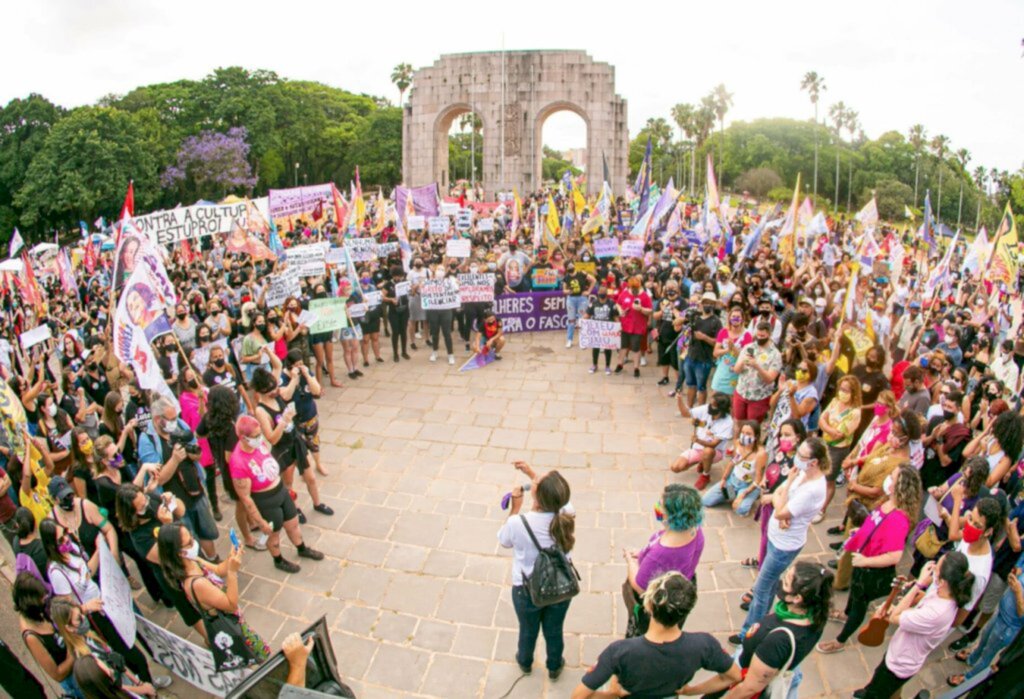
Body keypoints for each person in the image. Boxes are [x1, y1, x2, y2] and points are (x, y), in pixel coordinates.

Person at [573, 572, 740, 699]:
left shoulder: (620, 651)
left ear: (649, 606)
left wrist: (613, 693)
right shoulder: (704, 645)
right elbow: (733, 676)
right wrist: (690, 691)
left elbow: (579, 696)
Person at [817, 465, 922, 653]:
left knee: (859, 605)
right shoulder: (887, 502)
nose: (888, 478)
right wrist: (863, 533)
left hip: (870, 569)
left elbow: (894, 555)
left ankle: (840, 641)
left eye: (893, 476)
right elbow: (875, 524)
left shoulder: (899, 519)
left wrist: (865, 561)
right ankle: (845, 614)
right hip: (862, 560)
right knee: (854, 595)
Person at [732, 438, 828, 643]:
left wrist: (779, 505)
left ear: (814, 462)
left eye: (802, 455)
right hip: (775, 535)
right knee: (768, 584)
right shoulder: (800, 473)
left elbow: (780, 511)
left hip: (785, 545)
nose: (797, 458)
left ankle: (748, 633)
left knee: (761, 588)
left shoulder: (813, 489)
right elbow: (777, 493)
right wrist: (783, 496)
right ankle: (761, 620)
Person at [854, 551, 975, 699]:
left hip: (900, 662)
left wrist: (919, 584)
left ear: (943, 581)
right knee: (879, 677)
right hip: (900, 650)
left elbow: (894, 617)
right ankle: (869, 690)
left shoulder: (935, 614)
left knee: (878, 692)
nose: (933, 567)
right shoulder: (943, 593)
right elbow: (919, 604)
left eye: (936, 567)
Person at [712, 561, 835, 699]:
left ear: (797, 598)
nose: (781, 583)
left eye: (786, 583)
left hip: (748, 673)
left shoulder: (778, 640)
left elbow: (750, 688)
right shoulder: (817, 612)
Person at [497, 461, 575, 679]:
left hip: (527, 588)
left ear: (537, 497)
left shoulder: (518, 522)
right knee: (554, 630)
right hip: (560, 585)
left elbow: (504, 541)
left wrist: (515, 508)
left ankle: (525, 661)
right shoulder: (567, 512)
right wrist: (532, 475)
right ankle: (554, 665)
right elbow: (556, 497)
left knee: (528, 629)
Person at [156, 522, 270, 663]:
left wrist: (231, 556)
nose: (194, 542)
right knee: (256, 655)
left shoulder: (193, 560)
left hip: (234, 621)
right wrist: (232, 572)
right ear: (179, 552)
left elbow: (217, 570)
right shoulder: (197, 584)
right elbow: (231, 604)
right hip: (233, 628)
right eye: (189, 542)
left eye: (192, 537)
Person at [229, 415, 324, 573]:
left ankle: (302, 548)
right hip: (265, 500)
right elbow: (245, 499)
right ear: (243, 438)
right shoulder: (238, 462)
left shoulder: (258, 445)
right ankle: (278, 560)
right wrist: (260, 522)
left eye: (260, 434)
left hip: (280, 490)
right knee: (273, 534)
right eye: (255, 436)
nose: (260, 438)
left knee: (293, 524)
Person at [138, 397, 220, 560]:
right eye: (171, 419)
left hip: (195, 490)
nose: (175, 422)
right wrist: (175, 459)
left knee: (206, 531)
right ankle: (202, 570)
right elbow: (157, 480)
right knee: (187, 539)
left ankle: (213, 559)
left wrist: (192, 453)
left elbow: (197, 454)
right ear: (157, 419)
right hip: (175, 502)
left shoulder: (181, 425)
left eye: (176, 417)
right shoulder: (147, 440)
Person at [623, 484, 705, 637]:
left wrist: (630, 561)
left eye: (661, 506)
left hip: (656, 606)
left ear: (673, 515)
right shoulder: (694, 529)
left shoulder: (661, 553)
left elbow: (639, 586)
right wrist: (642, 554)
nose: (657, 507)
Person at [14, 572, 80, 697]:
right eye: (41, 598)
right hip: (74, 680)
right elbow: (57, 674)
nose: (45, 598)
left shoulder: (40, 611)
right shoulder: (31, 636)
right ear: (31, 602)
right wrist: (73, 648)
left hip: (80, 664)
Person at [702, 420, 768, 516]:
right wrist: (724, 479)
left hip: (748, 485)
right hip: (732, 481)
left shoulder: (761, 454)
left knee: (740, 510)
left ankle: (748, 496)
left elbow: (758, 480)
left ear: (756, 437)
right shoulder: (738, 443)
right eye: (743, 433)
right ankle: (732, 496)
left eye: (748, 434)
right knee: (706, 501)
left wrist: (743, 494)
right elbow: (732, 462)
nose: (744, 436)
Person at [671, 393, 734, 490]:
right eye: (710, 403)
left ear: (721, 409)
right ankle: (702, 461)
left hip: (715, 452)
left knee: (708, 451)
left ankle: (705, 475)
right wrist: (679, 400)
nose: (710, 406)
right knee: (675, 467)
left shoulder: (728, 422)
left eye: (713, 405)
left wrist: (698, 440)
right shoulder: (706, 409)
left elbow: (713, 444)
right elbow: (686, 414)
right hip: (697, 448)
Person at [733, 321, 783, 421]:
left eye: (762, 335)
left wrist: (757, 366)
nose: (759, 337)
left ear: (769, 334)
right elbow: (736, 370)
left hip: (759, 397)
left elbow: (770, 379)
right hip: (741, 392)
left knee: (752, 426)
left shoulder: (775, 355)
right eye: (758, 334)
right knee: (737, 422)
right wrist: (742, 362)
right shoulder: (749, 347)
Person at [682, 291, 723, 408]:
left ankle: (701, 411)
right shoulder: (695, 317)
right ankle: (689, 409)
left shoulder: (716, 321)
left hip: (705, 359)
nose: (708, 305)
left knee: (701, 387)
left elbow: (719, 342)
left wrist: (704, 338)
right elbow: (679, 325)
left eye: (711, 303)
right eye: (706, 302)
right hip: (691, 355)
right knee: (690, 384)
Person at [614, 275, 652, 379]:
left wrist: (641, 309)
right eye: (632, 288)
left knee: (636, 348)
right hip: (625, 325)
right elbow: (618, 303)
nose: (634, 290)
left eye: (636, 288)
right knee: (623, 346)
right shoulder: (625, 293)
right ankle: (620, 364)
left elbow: (650, 310)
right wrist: (621, 311)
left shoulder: (644, 296)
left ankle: (636, 368)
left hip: (638, 327)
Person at [584, 285, 620, 375]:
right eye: (601, 292)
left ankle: (607, 366)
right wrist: (581, 322)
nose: (602, 294)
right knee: (595, 347)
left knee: (608, 348)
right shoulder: (594, 303)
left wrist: (619, 326)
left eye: (604, 292)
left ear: (606, 293)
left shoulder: (611, 303)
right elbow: (587, 315)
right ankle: (594, 365)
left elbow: (616, 316)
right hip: (597, 330)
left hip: (608, 330)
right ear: (598, 293)